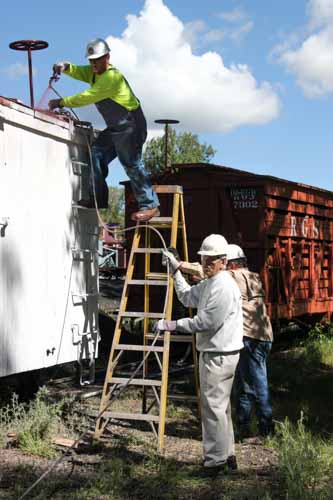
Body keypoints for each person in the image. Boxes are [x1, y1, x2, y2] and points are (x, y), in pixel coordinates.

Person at [157, 234, 243, 477]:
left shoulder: (223, 286)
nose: (206, 263)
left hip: (219, 353)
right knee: (220, 407)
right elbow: (187, 296)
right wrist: (176, 272)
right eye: (204, 259)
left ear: (223, 261)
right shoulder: (211, 282)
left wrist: (171, 325)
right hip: (218, 351)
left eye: (211, 260)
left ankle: (215, 462)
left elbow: (205, 322)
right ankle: (227, 455)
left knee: (213, 408)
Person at [49, 38, 159, 221]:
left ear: (107, 58)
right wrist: (65, 66)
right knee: (97, 154)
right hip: (117, 127)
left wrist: (60, 102)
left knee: (131, 163)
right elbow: (77, 71)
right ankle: (97, 198)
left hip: (131, 124)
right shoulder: (93, 72)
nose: (93, 64)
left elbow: (87, 96)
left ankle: (150, 205)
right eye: (91, 60)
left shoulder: (111, 78)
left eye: (97, 59)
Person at [226, 244, 274, 438]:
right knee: (245, 382)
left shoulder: (234, 277)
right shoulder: (253, 276)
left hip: (251, 338)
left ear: (232, 264)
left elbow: (206, 273)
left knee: (255, 383)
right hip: (263, 337)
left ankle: (266, 429)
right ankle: (245, 427)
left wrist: (179, 264)